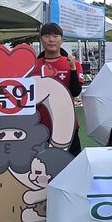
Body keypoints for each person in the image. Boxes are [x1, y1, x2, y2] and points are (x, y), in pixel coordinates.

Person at [33, 23, 84, 155]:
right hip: (39, 124)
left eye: (55, 36)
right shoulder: (33, 66)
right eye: (47, 36)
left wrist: (72, 69)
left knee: (73, 162)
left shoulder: (74, 63)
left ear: (62, 40)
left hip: (67, 123)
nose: (51, 39)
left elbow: (75, 91)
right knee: (40, 163)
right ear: (41, 39)